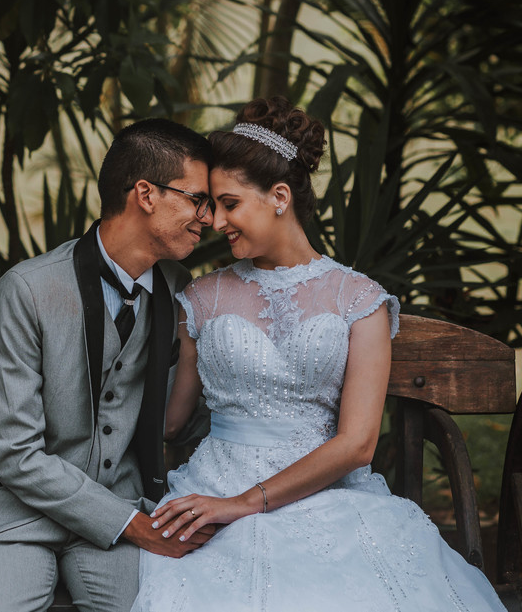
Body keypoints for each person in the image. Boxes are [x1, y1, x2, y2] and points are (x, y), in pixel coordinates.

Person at [130, 97, 505, 611]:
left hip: (328, 491)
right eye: (212, 205)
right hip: (213, 485)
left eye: (229, 203)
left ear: (280, 196)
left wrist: (242, 504)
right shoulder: (200, 297)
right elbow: (171, 422)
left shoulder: (359, 301)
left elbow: (357, 445)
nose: (216, 221)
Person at [0, 119, 217, 612]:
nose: (207, 217)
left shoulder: (178, 289)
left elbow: (177, 417)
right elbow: (13, 451)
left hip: (124, 504)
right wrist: (133, 526)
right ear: (146, 194)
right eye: (197, 199)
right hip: (11, 514)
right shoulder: (28, 290)